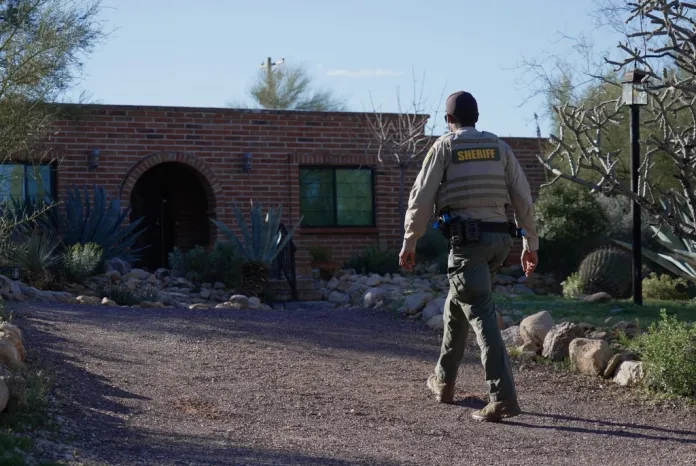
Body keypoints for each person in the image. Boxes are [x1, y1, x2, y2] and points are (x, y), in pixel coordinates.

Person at [399, 90, 539, 422]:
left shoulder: (444, 147)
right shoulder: (499, 147)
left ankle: (502, 398)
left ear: (448, 120)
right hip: (499, 243)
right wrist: (530, 243)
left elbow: (422, 197)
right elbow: (522, 195)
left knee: (481, 314)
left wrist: (409, 240)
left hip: (468, 245)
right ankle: (444, 382)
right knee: (456, 307)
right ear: (477, 117)